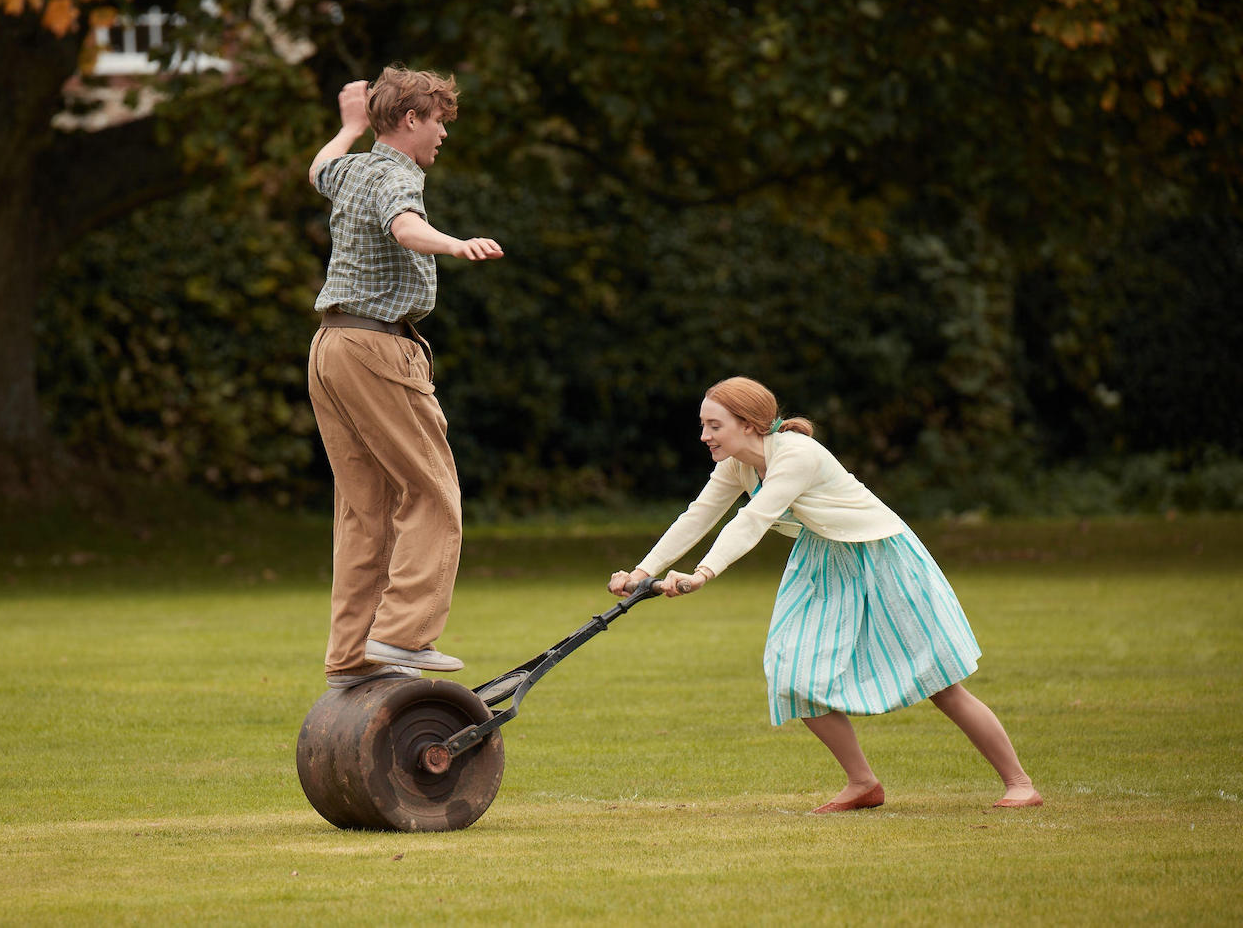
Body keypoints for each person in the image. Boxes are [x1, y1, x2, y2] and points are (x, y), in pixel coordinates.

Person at [608, 377, 1042, 812]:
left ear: (749, 424)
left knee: (940, 683)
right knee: (793, 674)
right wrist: (642, 571)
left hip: (881, 554)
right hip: (823, 558)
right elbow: (697, 516)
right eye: (703, 425)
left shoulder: (796, 455)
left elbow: (752, 519)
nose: (704, 436)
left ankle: (1020, 783)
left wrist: (703, 573)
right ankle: (863, 784)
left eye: (714, 426)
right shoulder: (738, 463)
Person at [306, 65, 503, 690]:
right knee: (434, 494)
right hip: (378, 348)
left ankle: (351, 657)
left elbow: (317, 170)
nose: (444, 131)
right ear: (411, 119)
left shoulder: (355, 166)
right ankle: (402, 635)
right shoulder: (393, 173)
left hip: (331, 345)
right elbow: (404, 226)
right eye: (439, 119)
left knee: (365, 509)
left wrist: (348, 127)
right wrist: (452, 243)